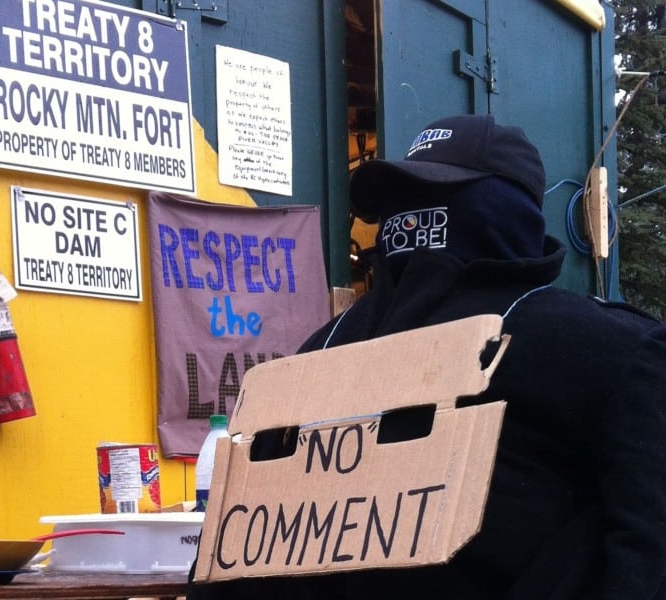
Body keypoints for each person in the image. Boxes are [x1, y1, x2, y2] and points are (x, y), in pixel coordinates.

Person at [187, 114, 666, 599]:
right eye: (400, 201)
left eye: (430, 196)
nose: (408, 218)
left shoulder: (316, 354)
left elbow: (223, 560)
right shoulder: (614, 348)